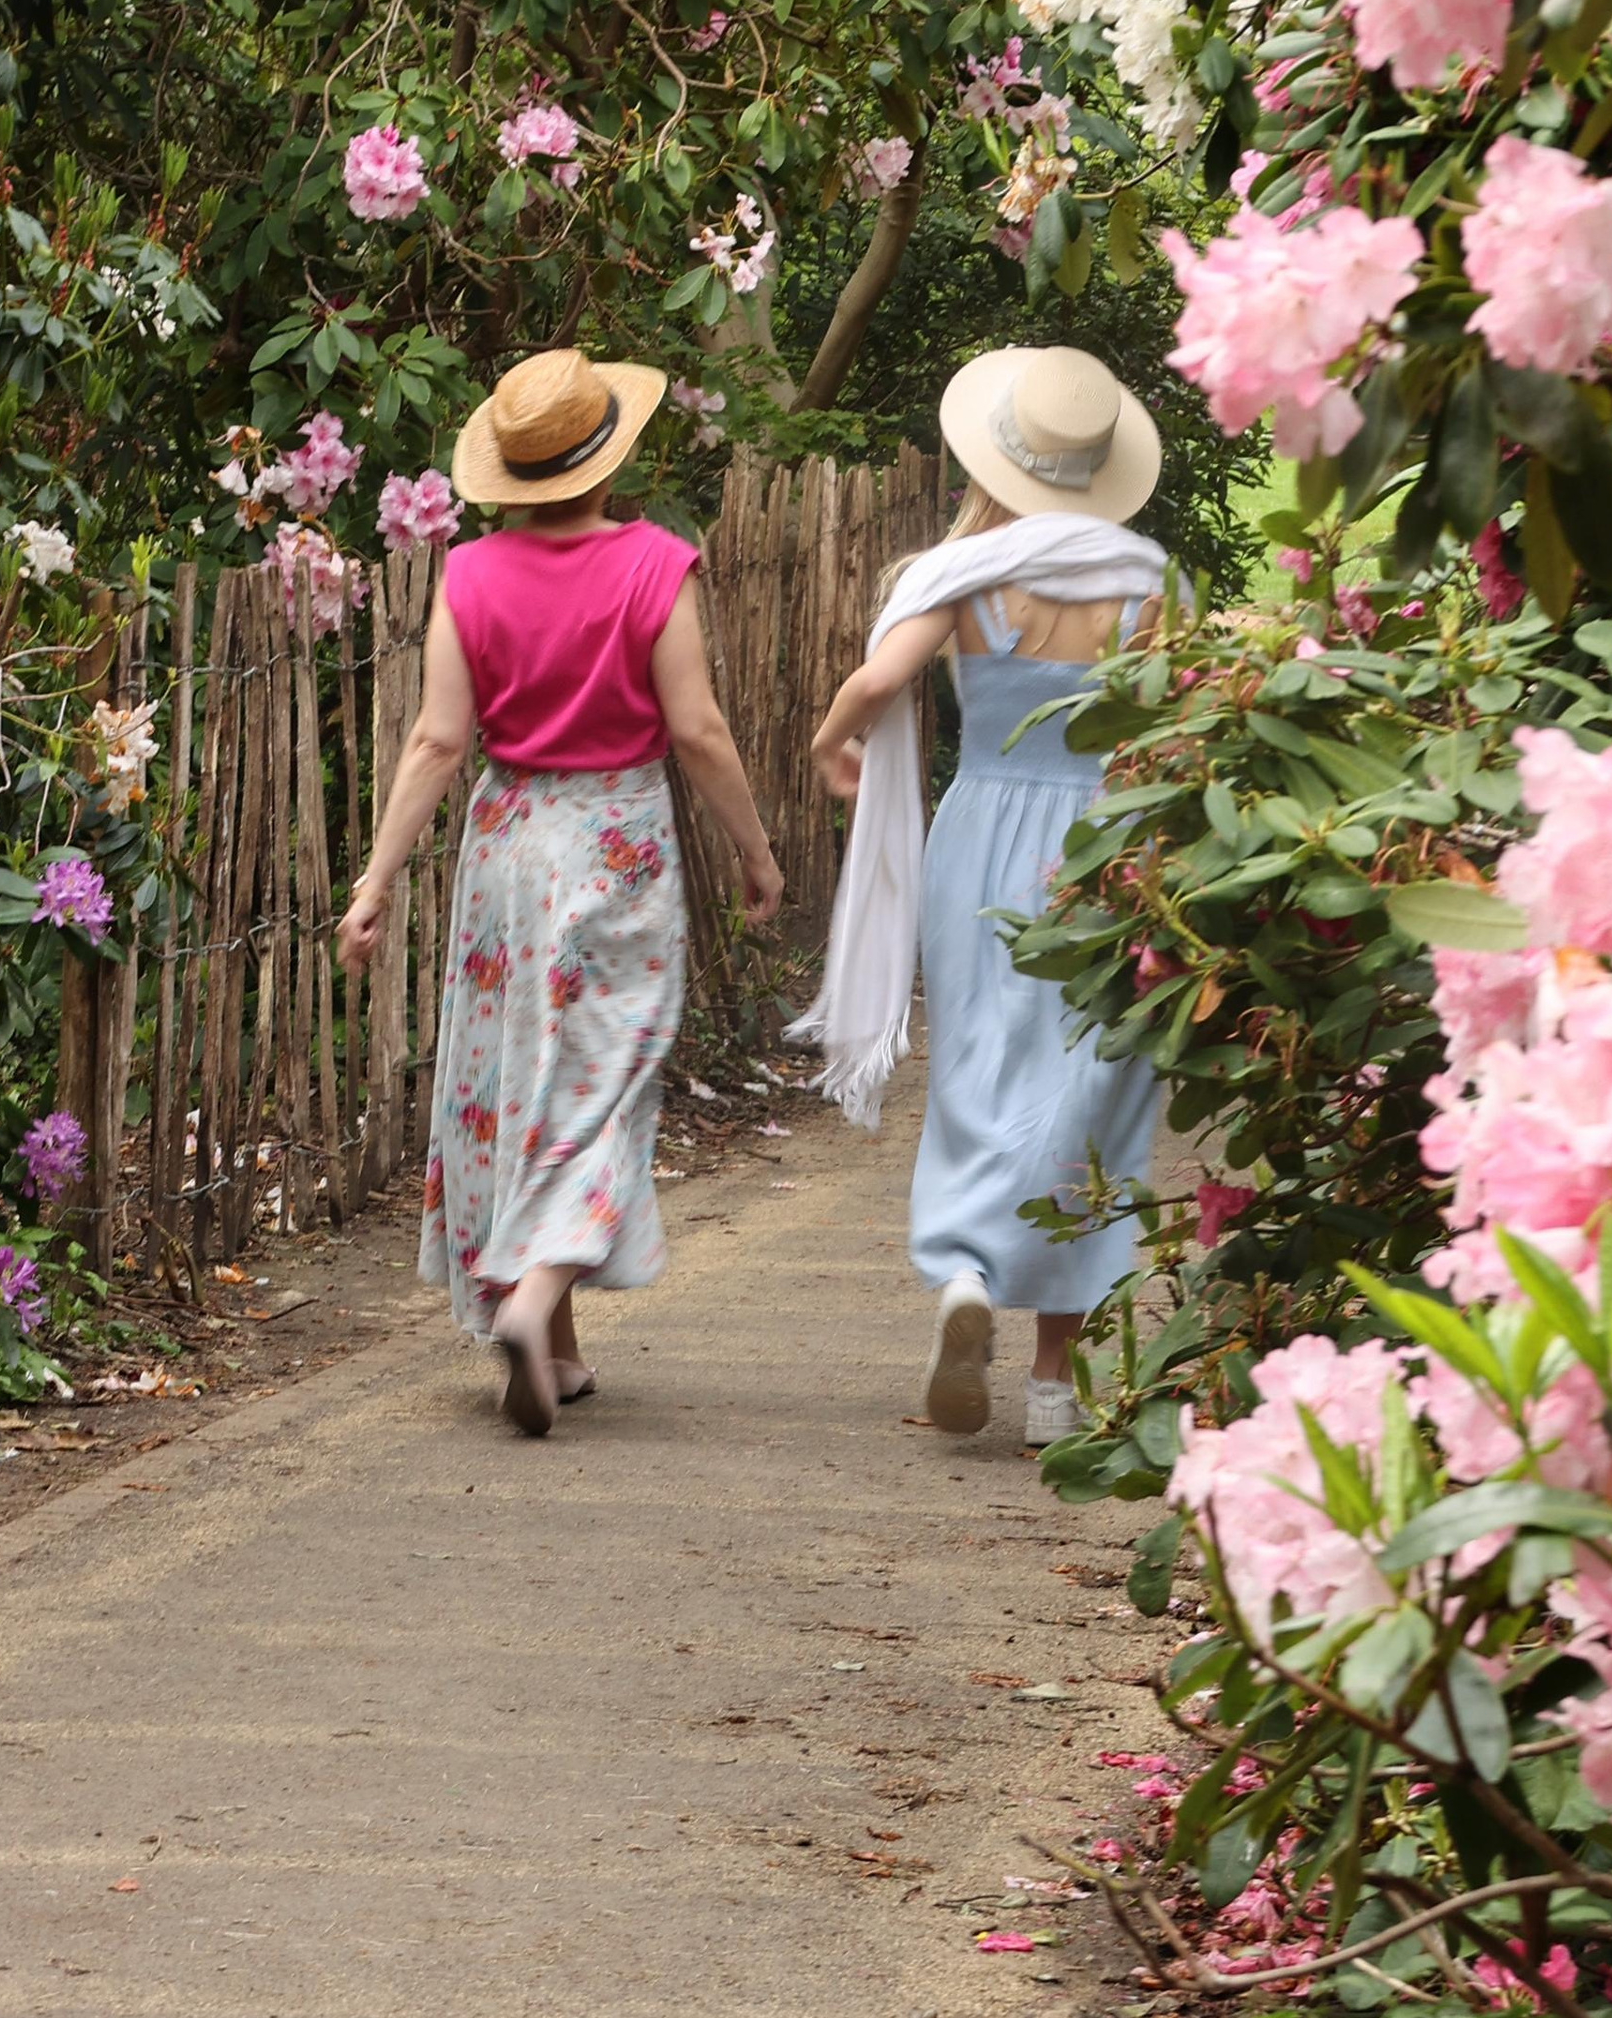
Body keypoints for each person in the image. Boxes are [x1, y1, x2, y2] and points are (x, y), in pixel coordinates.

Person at [337, 346, 783, 1439]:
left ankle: (556, 1347)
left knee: (517, 1072)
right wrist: (755, 853)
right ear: (608, 459)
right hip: (617, 838)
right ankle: (536, 1300)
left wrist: (376, 877)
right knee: (603, 1077)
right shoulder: (654, 563)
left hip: (506, 844)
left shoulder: (471, 575)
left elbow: (441, 737)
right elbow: (697, 729)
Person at [801, 343, 1165, 1451]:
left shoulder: (961, 577)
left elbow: (877, 681)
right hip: (1104, 840)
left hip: (982, 833)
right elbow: (1174, 726)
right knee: (1091, 1095)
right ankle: (1057, 1386)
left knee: (975, 1064)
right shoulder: (1149, 583)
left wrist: (832, 747)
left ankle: (963, 1272)